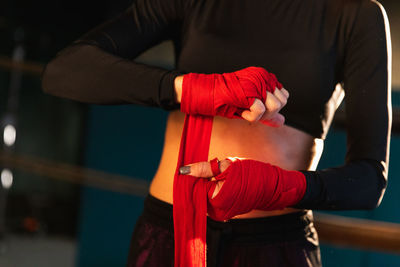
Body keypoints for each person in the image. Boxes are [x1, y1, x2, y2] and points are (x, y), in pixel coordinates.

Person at [41, 0, 392, 266]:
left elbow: (369, 179)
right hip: (170, 231)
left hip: (276, 245)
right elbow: (64, 71)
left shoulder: (355, 15)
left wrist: (279, 186)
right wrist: (191, 89)